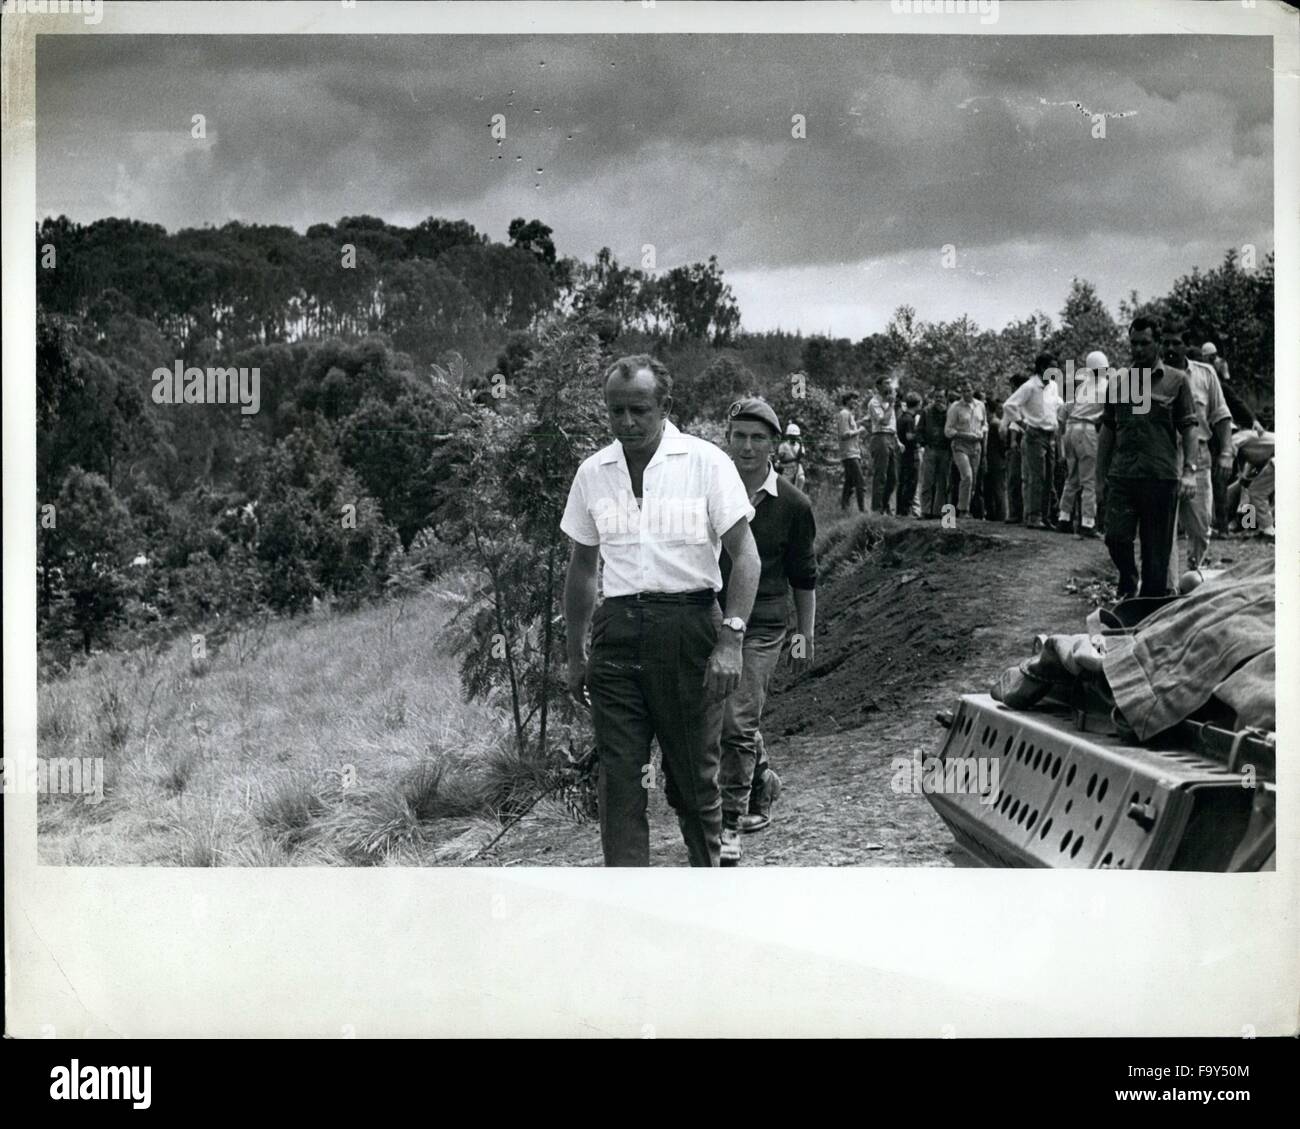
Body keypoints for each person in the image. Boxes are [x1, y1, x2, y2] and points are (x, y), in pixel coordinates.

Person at [561, 355, 761, 867]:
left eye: (639, 410)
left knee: (694, 779)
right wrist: (575, 653)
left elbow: (747, 556)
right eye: (616, 411)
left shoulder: (705, 462)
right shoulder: (592, 473)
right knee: (619, 781)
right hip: (618, 635)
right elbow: (583, 568)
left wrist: (731, 639)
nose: (626, 422)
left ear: (665, 407)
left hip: (689, 632)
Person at [717, 398, 818, 864]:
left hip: (764, 624)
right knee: (723, 713)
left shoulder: (794, 505)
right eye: (740, 436)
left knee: (737, 717)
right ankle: (762, 780)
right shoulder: (711, 493)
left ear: (776, 445)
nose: (748, 446)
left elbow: (805, 574)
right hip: (712, 620)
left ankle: (728, 825)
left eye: (759, 438)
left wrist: (806, 633)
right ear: (729, 439)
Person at [1097, 317, 1199, 599]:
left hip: (1160, 478)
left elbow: (1189, 429)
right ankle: (1128, 581)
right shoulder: (1117, 382)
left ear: (1156, 344)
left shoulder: (1177, 381)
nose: (1138, 349)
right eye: (1134, 343)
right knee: (1116, 538)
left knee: (1156, 557)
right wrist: (1098, 478)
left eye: (1145, 343)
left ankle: (1148, 609)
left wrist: (1189, 471)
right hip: (1122, 476)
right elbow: (1107, 430)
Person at [1172, 332, 1233, 570]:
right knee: (1161, 530)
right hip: (1163, 455)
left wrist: (1227, 451)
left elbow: (1221, 414)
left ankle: (1193, 572)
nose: (1170, 348)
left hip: (1198, 455)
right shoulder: (1146, 377)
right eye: (1165, 343)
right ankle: (1164, 587)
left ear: (1186, 346)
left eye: (1176, 343)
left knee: (1200, 526)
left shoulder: (1205, 374)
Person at [1002, 353, 1063, 530]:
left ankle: (1045, 516)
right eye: (1052, 367)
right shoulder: (1030, 386)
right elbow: (1009, 405)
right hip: (1035, 434)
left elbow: (1056, 406)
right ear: (1042, 368)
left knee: (1049, 476)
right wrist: (1022, 424)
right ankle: (1033, 516)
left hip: (1050, 434)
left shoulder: (1052, 386)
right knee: (1038, 477)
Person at [1055, 349, 1109, 538]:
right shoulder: (1106, 387)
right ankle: (1088, 522)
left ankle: (1064, 517)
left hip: (1071, 429)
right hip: (1087, 430)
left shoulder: (1082, 386)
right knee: (1089, 479)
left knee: (1072, 477)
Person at [944, 381, 987, 518]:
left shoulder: (980, 405)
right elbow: (948, 430)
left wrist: (981, 432)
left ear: (973, 390)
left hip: (976, 446)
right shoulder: (955, 407)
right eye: (964, 391)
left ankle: (967, 508)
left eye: (969, 390)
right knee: (966, 476)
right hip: (960, 445)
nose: (966, 393)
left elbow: (985, 424)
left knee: (973, 480)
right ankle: (963, 509)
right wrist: (964, 435)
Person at [916, 387, 952, 519]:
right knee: (927, 480)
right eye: (936, 397)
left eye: (941, 397)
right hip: (930, 449)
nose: (938, 400)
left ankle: (939, 512)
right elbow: (919, 429)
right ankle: (925, 510)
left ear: (945, 398)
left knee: (942, 481)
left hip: (945, 450)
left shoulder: (950, 412)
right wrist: (923, 443)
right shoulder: (926, 411)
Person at [866, 374, 899, 514]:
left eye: (890, 383)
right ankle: (876, 509)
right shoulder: (874, 402)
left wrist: (897, 441)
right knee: (881, 475)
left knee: (893, 478)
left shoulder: (888, 402)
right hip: (880, 437)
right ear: (878, 386)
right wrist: (891, 405)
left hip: (891, 438)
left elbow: (892, 425)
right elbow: (884, 421)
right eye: (886, 383)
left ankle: (884, 505)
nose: (889, 386)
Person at [837, 391, 867, 513]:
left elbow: (849, 429)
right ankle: (862, 510)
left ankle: (844, 508)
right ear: (847, 400)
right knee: (860, 482)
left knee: (849, 483)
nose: (855, 402)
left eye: (856, 400)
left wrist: (859, 423)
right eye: (853, 400)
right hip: (849, 454)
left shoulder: (849, 414)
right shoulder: (844, 414)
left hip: (853, 452)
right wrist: (860, 430)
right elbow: (844, 434)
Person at [1003, 373, 1027, 523]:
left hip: (1021, 441)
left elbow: (1015, 424)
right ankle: (1015, 512)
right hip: (1017, 441)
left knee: (1016, 478)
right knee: (1014, 479)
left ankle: (1018, 513)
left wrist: (1012, 441)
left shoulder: (1022, 402)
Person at [897, 392, 923, 517]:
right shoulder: (910, 420)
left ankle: (900, 510)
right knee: (912, 482)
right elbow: (909, 436)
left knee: (903, 481)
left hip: (903, 454)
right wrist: (920, 433)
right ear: (918, 405)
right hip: (911, 453)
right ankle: (906, 510)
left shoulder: (901, 417)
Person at [982, 398, 1007, 521]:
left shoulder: (995, 424)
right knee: (993, 488)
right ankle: (994, 514)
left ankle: (1000, 515)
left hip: (995, 461)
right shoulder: (997, 423)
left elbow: (1000, 444)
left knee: (998, 489)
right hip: (996, 460)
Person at [775, 422, 806, 492]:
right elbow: (781, 459)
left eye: (795, 436)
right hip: (787, 470)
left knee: (801, 479)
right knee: (785, 489)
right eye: (792, 436)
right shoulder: (783, 446)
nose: (794, 438)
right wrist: (793, 459)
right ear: (788, 436)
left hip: (797, 470)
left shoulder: (799, 446)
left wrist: (801, 445)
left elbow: (801, 456)